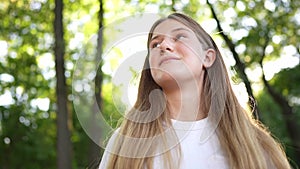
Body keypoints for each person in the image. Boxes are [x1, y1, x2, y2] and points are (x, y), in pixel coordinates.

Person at [99, 13, 291, 169]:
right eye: (155, 44)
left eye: (180, 37)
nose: (163, 46)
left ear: (207, 58)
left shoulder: (256, 144)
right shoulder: (125, 142)